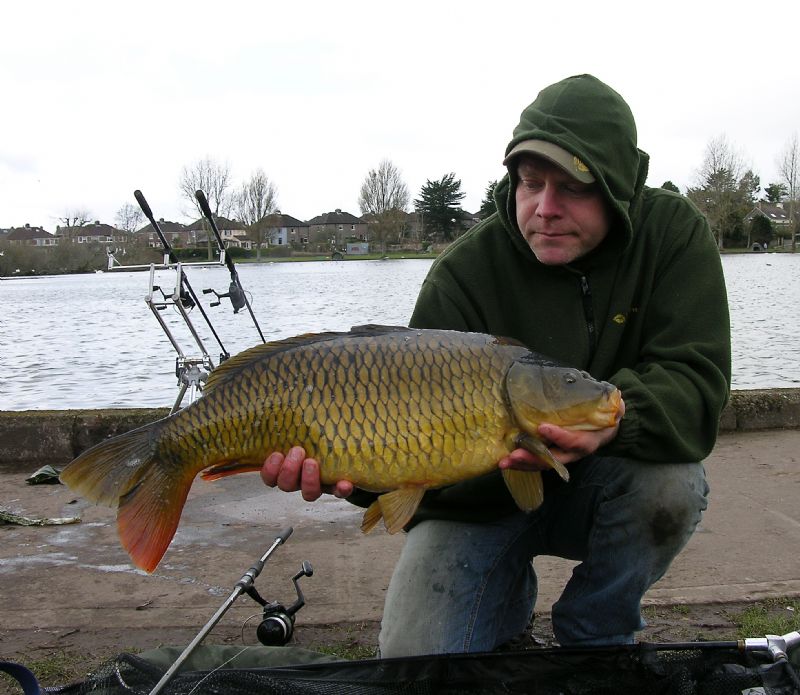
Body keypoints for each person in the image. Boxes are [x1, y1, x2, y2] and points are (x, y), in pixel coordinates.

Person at [261, 74, 731, 656]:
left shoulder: (672, 236)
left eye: (573, 188)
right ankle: (503, 619)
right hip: (476, 504)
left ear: (617, 188)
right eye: (530, 184)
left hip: (608, 484)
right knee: (415, 661)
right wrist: (349, 473)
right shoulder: (462, 275)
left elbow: (697, 386)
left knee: (673, 484)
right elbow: (398, 446)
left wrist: (618, 419)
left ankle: (598, 634)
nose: (546, 208)